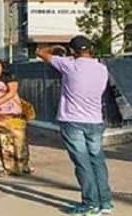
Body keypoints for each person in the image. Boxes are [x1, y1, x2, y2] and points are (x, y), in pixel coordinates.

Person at [37, 35, 113, 216]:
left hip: (72, 120)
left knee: (82, 164)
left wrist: (55, 46)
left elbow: (40, 52)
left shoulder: (68, 65)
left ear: (72, 51)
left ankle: (90, 204)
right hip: (95, 120)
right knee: (97, 162)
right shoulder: (102, 68)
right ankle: (106, 203)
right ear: (90, 49)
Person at [0, 57, 32, 176]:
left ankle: (22, 166)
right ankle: (4, 168)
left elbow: (11, 93)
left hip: (14, 113)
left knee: (19, 140)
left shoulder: (9, 77)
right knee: (1, 142)